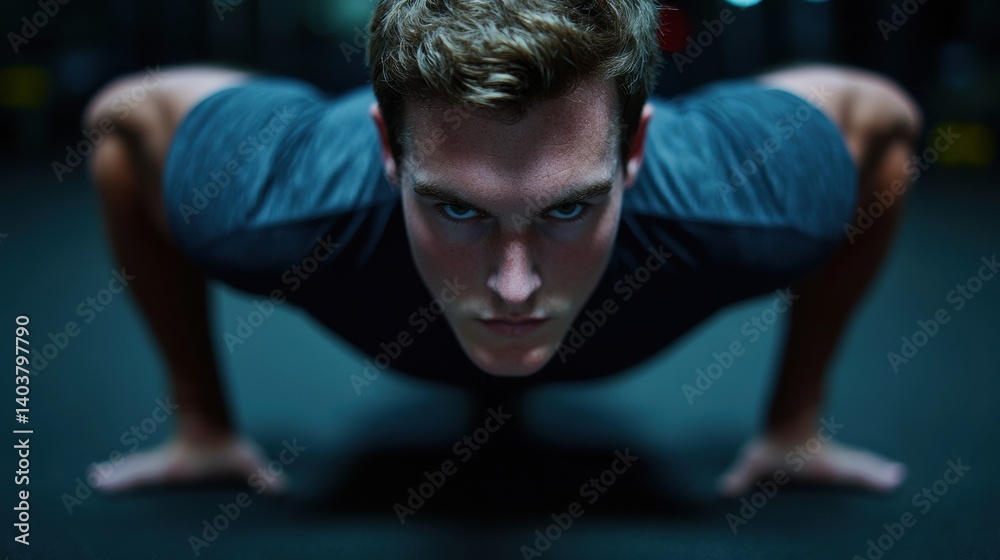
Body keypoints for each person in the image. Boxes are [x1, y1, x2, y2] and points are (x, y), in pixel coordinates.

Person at [83, 0, 921, 497]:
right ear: (388, 149)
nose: (512, 288)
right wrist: (201, 421)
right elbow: (122, 123)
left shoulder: (748, 200)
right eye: (456, 208)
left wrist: (795, 422)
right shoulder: (268, 201)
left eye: (567, 209)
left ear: (635, 152)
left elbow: (883, 123)